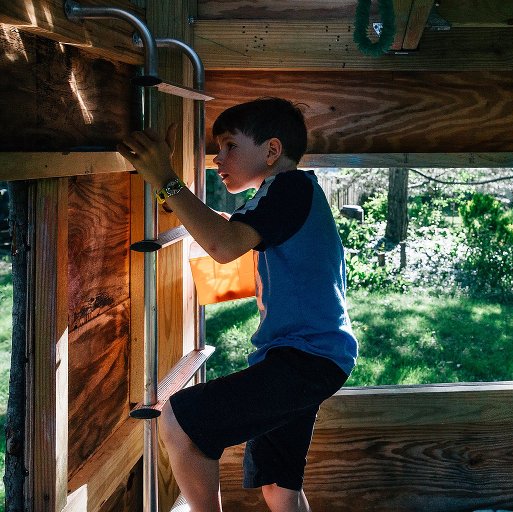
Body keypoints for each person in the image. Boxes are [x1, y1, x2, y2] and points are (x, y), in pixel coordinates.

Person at [118, 97, 358, 512]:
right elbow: (219, 225)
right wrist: (163, 185)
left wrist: (167, 177)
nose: (217, 157)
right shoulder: (283, 193)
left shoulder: (291, 188)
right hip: (311, 357)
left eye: (229, 145)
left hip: (305, 359)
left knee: (180, 424)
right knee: (278, 487)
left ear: (271, 150)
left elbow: (223, 245)